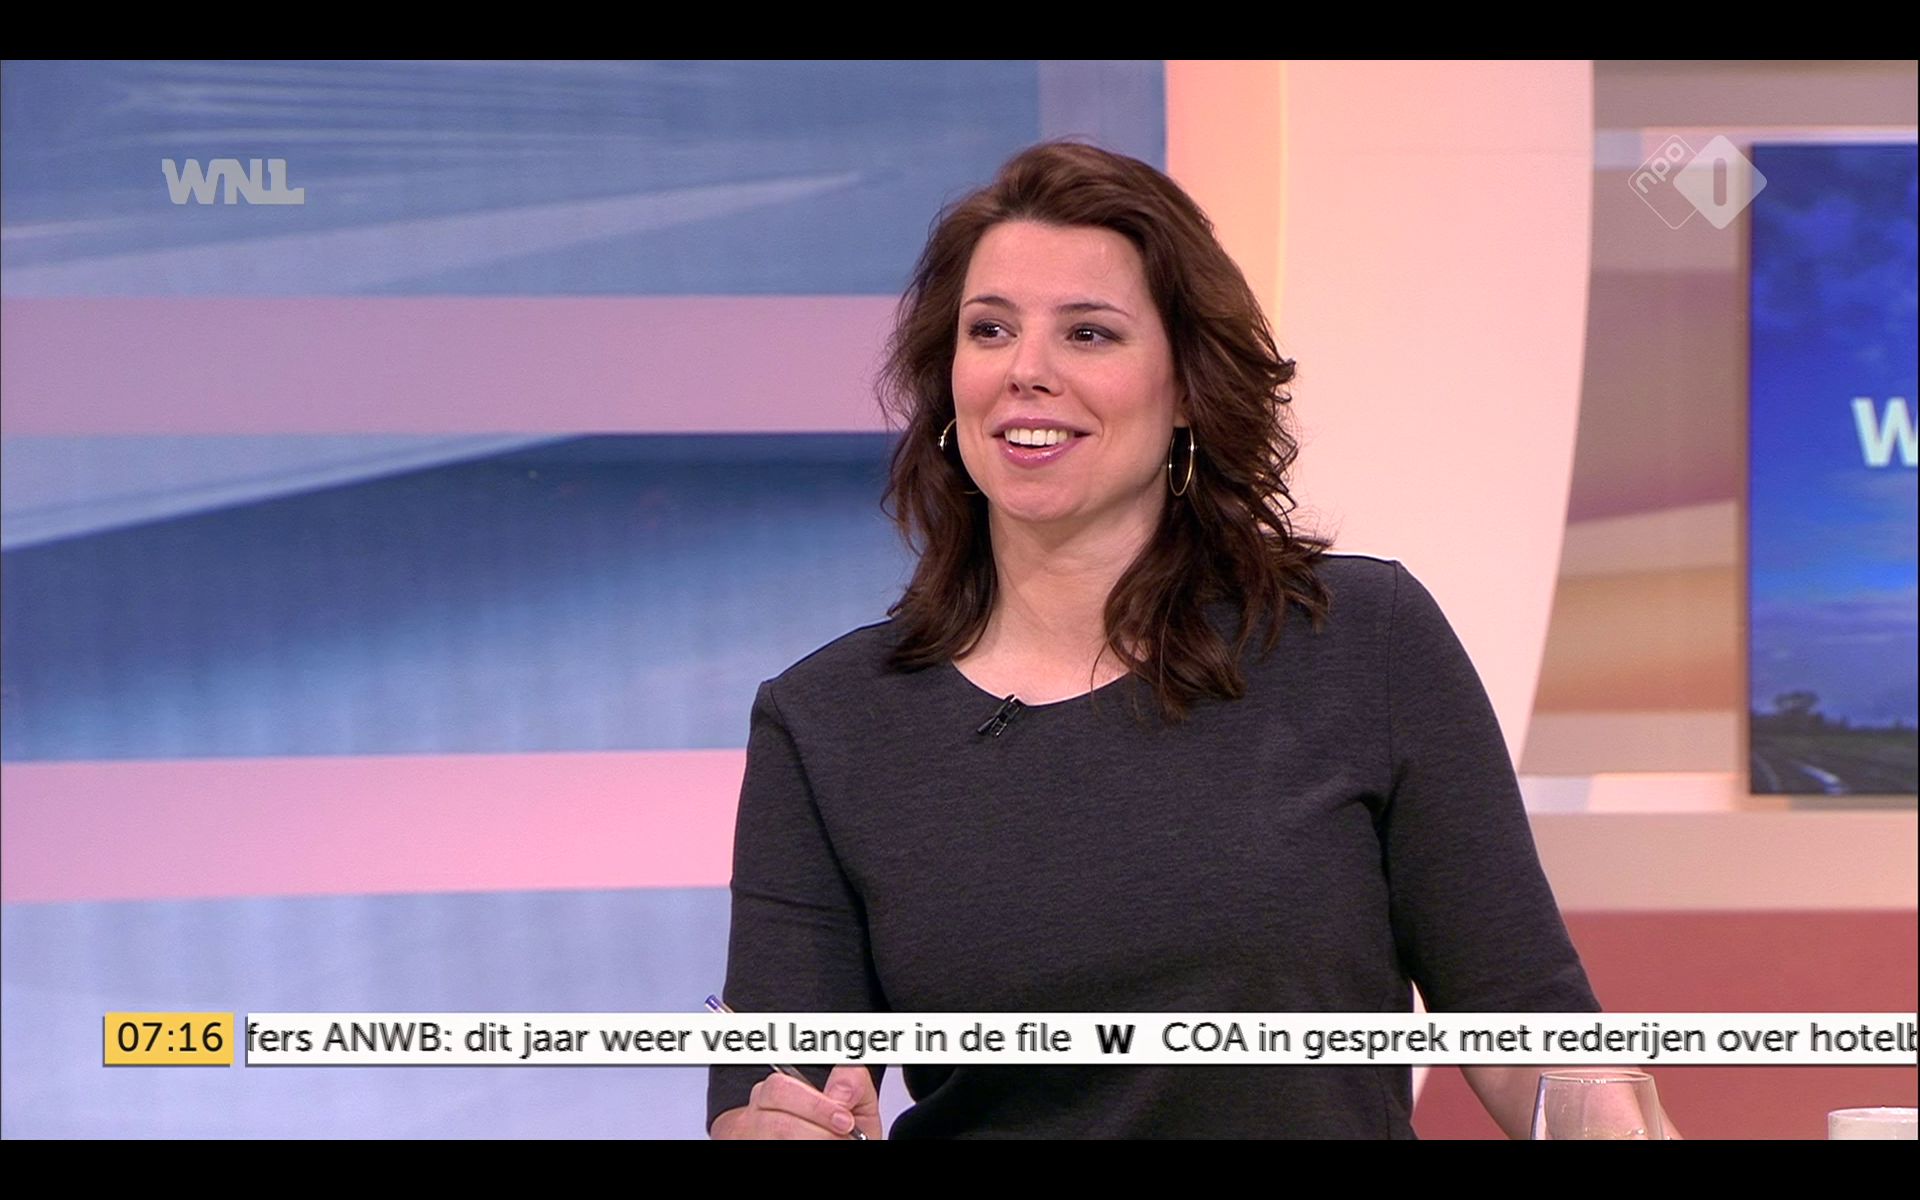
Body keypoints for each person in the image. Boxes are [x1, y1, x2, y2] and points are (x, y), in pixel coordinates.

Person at [707, 140, 1657, 1139]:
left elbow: (1523, 1019)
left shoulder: (1358, 639)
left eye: (1088, 333)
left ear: (1188, 387)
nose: (1027, 371)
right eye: (990, 330)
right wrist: (784, 1124)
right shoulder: (829, 719)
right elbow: (766, 1089)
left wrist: (1606, 1119)